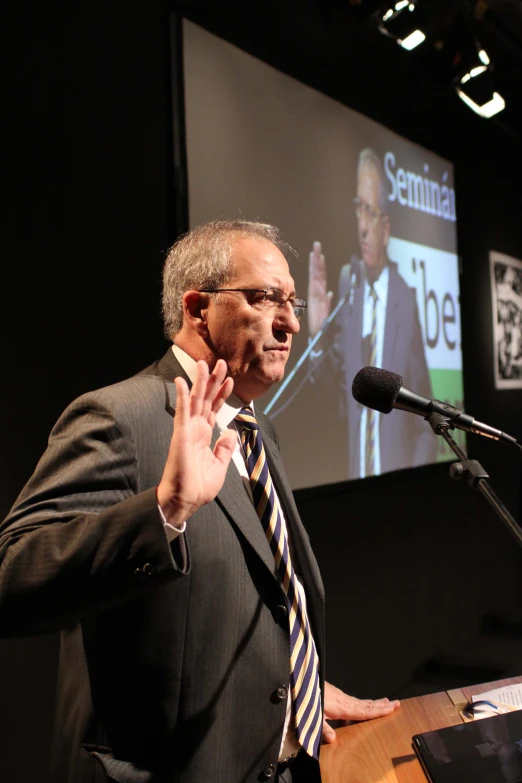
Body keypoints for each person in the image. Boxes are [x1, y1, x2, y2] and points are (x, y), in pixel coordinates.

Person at [0, 220, 399, 783]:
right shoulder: (120, 418)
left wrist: (295, 688)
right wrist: (164, 511)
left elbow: (249, 597)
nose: (288, 322)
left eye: (292, 301)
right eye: (265, 299)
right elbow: (12, 578)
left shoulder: (257, 429)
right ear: (197, 309)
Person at [308, 148, 436, 479]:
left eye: (370, 212)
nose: (362, 226)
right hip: (355, 480)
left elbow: (426, 414)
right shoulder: (349, 292)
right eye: (358, 210)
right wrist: (317, 338)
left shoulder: (405, 301)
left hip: (399, 485)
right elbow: (334, 402)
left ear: (386, 227)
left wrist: (415, 479)